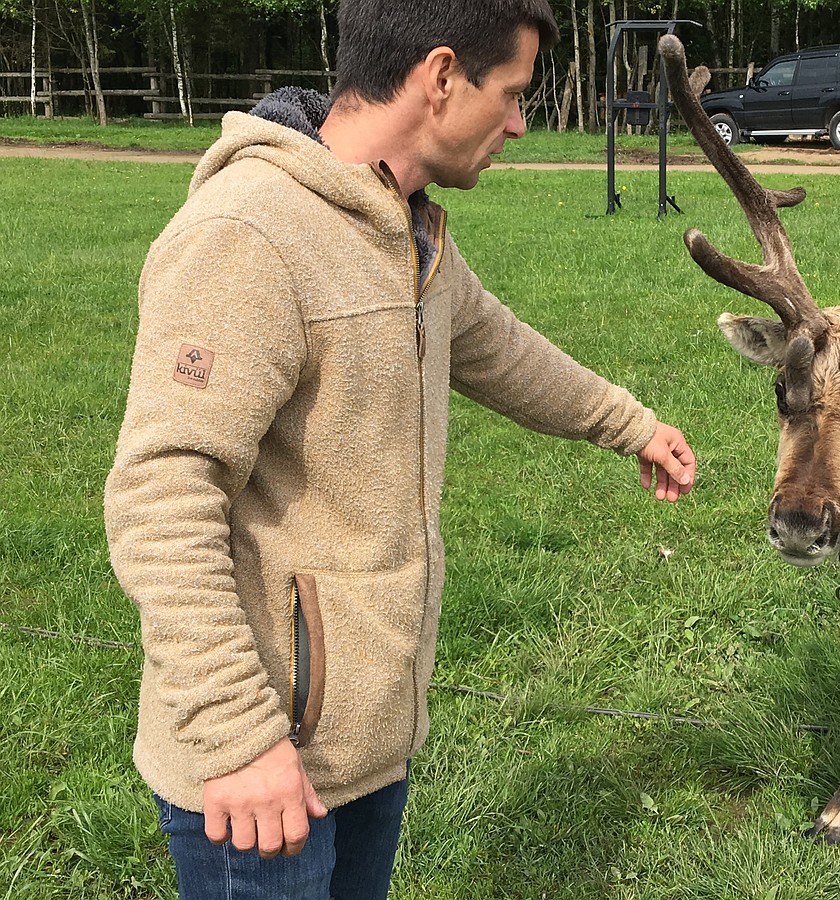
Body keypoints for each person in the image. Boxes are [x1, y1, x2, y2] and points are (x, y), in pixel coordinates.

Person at [103, 1, 697, 897]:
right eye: (511, 95)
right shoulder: (249, 233)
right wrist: (237, 734)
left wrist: (630, 424)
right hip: (259, 767)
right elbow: (161, 496)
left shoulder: (404, 225)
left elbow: (494, 344)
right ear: (442, 75)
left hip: (367, 738)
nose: (519, 124)